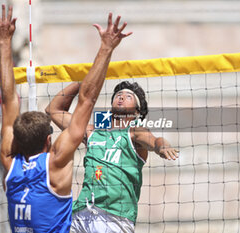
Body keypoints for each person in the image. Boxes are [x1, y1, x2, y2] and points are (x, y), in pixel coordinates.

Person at [0, 5, 131, 232]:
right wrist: (106, 48)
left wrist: (4, 43)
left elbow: (9, 101)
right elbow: (86, 101)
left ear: (16, 141)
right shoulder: (54, 163)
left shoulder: (9, 163)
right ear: (49, 141)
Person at [46, 81, 179, 231]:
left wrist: (162, 146)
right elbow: (53, 110)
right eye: (118, 95)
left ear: (136, 112)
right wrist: (82, 82)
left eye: (128, 96)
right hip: (82, 213)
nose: (121, 97)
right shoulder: (92, 132)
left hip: (115, 217)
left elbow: (154, 141)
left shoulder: (134, 132)